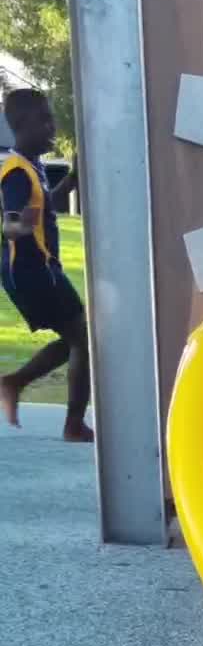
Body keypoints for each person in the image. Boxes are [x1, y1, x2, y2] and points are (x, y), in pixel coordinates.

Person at [0, 88, 93, 442]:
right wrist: (22, 221)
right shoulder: (16, 172)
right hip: (31, 273)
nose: (52, 126)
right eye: (45, 119)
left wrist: (69, 181)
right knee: (84, 340)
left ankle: (15, 382)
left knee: (80, 338)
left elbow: (43, 210)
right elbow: (11, 225)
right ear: (23, 125)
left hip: (40, 270)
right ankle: (72, 424)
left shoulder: (32, 166)